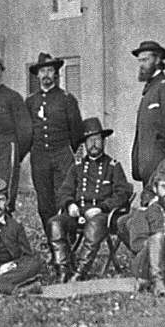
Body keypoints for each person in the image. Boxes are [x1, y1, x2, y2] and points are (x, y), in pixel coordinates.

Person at [47, 118, 132, 283]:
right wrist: (69, 204)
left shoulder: (113, 166)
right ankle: (63, 270)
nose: (94, 144)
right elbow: (64, 190)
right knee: (54, 223)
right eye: (89, 140)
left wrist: (102, 207)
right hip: (78, 213)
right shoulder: (77, 166)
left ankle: (80, 272)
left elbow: (123, 193)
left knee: (94, 224)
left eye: (97, 140)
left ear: (103, 142)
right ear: (85, 144)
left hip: (103, 215)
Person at [25, 52, 83, 239]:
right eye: (43, 71)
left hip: (62, 155)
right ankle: (53, 242)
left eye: (50, 70)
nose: (47, 74)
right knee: (44, 203)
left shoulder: (67, 99)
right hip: (40, 157)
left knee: (64, 198)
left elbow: (76, 132)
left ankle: (68, 243)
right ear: (38, 75)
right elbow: (27, 131)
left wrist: (67, 153)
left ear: (56, 74)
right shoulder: (31, 101)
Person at [0, 54, 33, 212]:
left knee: (5, 193)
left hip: (7, 151)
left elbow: (26, 131)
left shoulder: (13, 97)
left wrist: (16, 154)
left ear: (1, 73)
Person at [130, 40, 165, 187]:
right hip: (145, 165)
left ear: (158, 59)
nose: (141, 64)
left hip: (160, 164)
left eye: (145, 60)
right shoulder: (149, 90)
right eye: (140, 60)